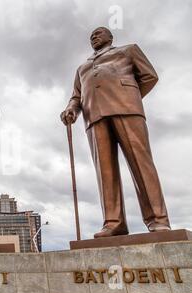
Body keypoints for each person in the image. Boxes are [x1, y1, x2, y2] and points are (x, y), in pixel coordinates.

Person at [60, 27, 171, 238]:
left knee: (141, 162)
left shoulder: (128, 51)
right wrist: (71, 109)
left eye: (99, 33)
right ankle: (113, 222)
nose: (94, 36)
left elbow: (149, 76)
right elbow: (76, 96)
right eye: (91, 35)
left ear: (110, 37)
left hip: (126, 109)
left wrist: (129, 96)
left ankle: (157, 219)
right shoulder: (82, 68)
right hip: (94, 116)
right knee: (105, 171)